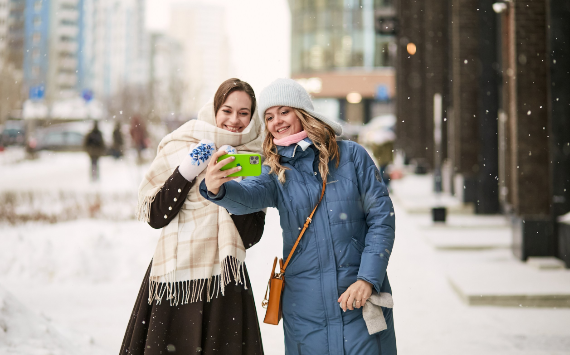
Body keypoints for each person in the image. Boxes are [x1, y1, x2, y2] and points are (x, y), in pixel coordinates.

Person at [201, 78, 397, 355]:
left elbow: (382, 219)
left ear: (303, 112)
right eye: (269, 117)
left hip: (359, 301)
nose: (276, 121)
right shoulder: (275, 170)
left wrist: (367, 279)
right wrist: (216, 188)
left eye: (284, 111)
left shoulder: (352, 157)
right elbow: (247, 196)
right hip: (305, 310)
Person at [120, 78, 266, 355]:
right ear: (214, 109)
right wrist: (186, 171)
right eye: (227, 110)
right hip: (173, 277)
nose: (234, 120)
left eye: (244, 113)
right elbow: (155, 216)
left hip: (225, 279)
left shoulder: (254, 157)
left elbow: (250, 236)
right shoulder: (182, 142)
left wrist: (223, 191)